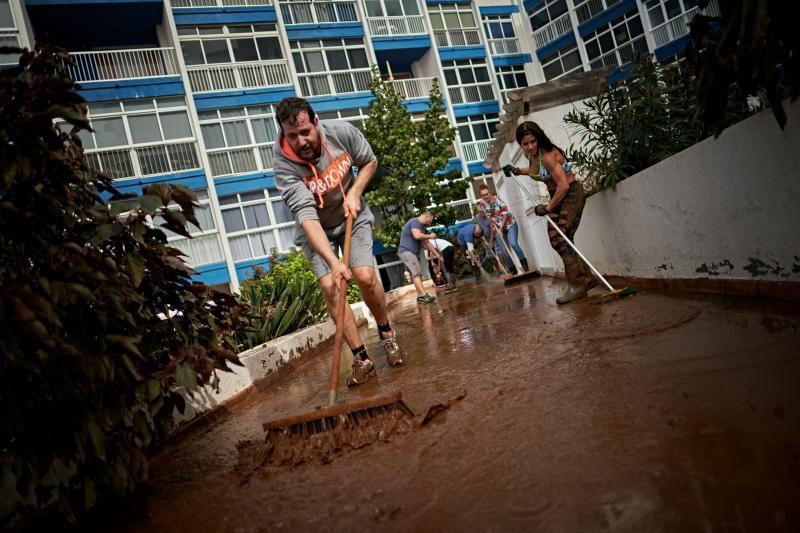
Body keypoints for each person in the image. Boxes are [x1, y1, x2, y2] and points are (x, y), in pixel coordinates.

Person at [273, 97, 406, 387]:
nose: (301, 141)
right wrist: (333, 263)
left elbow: (369, 161)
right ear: (284, 133)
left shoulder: (341, 133)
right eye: (292, 136)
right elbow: (307, 217)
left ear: (316, 123)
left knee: (365, 276)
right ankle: (362, 359)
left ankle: (387, 336)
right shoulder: (283, 166)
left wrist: (356, 191)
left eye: (305, 132)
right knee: (330, 286)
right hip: (315, 228)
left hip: (351, 214)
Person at [503, 121, 596, 304]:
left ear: (539, 138)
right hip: (557, 196)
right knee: (556, 239)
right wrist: (516, 170)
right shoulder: (533, 156)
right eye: (525, 143)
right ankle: (586, 278)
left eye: (533, 142)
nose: (530, 146)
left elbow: (563, 185)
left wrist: (547, 207)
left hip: (570, 194)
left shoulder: (547, 155)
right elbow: (537, 172)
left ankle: (578, 286)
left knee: (562, 237)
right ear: (520, 144)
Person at [477, 184, 529, 274]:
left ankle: (525, 266)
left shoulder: (497, 200)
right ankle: (512, 270)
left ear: (490, 192)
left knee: (513, 244)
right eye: (483, 195)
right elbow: (491, 220)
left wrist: (501, 228)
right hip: (498, 227)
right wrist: (493, 236)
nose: (486, 196)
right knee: (504, 250)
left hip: (509, 224)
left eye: (487, 194)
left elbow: (505, 214)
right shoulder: (482, 205)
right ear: (481, 196)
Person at [398, 211, 439, 304]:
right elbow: (416, 236)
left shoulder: (422, 228)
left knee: (417, 273)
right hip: (406, 251)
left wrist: (437, 254)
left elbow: (427, 243)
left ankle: (420, 296)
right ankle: (423, 295)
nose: (429, 224)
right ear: (426, 216)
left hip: (411, 252)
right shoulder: (415, 221)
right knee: (416, 273)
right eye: (430, 221)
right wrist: (430, 236)